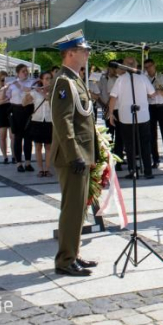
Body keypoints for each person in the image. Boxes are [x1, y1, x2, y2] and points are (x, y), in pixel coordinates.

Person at [50, 30, 98, 277]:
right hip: (73, 157)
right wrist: (74, 155)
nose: (87, 53)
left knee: (79, 209)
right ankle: (65, 260)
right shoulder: (64, 82)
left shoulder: (75, 79)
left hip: (82, 154)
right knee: (72, 209)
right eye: (83, 50)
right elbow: (63, 122)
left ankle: (74, 253)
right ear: (70, 54)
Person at [109, 57, 156, 179]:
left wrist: (110, 113)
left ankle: (133, 170)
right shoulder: (143, 78)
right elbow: (152, 93)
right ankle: (148, 171)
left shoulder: (120, 79)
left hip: (126, 116)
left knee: (129, 144)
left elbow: (113, 97)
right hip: (143, 115)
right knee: (145, 144)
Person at [6, 64, 34, 172]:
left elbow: (30, 90)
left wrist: (19, 86)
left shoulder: (31, 82)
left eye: (26, 71)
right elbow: (5, 97)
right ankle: (18, 163)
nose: (25, 73)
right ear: (18, 73)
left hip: (28, 109)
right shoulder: (12, 84)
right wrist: (4, 89)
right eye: (23, 71)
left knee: (28, 138)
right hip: (16, 110)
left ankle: (28, 162)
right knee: (17, 138)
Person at [97, 63, 122, 169]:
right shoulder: (105, 79)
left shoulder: (119, 79)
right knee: (110, 134)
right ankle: (110, 157)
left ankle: (119, 158)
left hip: (119, 109)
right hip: (108, 108)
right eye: (111, 68)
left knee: (120, 136)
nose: (113, 70)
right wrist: (106, 107)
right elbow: (101, 94)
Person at [29, 72, 54, 177]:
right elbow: (24, 103)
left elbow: (51, 100)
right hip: (37, 121)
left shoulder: (54, 92)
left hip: (49, 121)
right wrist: (27, 94)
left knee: (48, 146)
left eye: (50, 79)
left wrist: (43, 92)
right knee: (38, 146)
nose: (48, 81)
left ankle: (47, 169)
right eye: (46, 78)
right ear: (41, 80)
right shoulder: (35, 92)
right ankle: (40, 169)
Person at [0, 71, 12, 164]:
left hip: (11, 110)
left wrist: (4, 100)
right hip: (2, 111)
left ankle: (14, 155)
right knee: (2, 135)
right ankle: (5, 156)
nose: (4, 81)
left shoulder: (11, 88)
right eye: (3, 79)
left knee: (13, 136)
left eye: (6, 79)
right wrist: (4, 92)